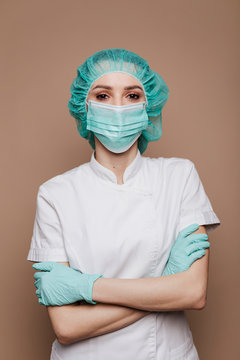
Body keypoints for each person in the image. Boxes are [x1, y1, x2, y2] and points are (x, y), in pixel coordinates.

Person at [27, 48, 221, 360]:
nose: (118, 108)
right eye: (103, 96)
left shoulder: (180, 175)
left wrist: (84, 287)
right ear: (84, 108)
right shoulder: (55, 194)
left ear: (149, 108)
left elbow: (193, 293)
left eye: (132, 96)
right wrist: (163, 287)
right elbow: (67, 327)